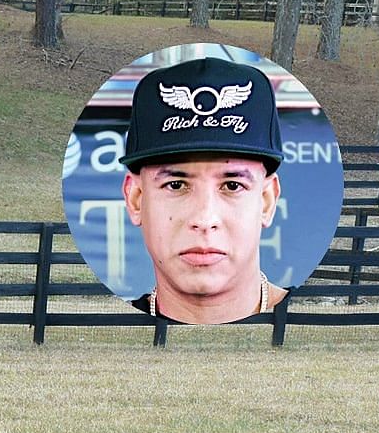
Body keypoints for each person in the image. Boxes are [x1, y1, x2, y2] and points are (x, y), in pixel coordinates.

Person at [120, 56, 289, 325]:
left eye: (232, 185)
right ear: (136, 199)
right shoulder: (106, 330)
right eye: (176, 185)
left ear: (267, 202)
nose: (204, 219)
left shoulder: (322, 328)